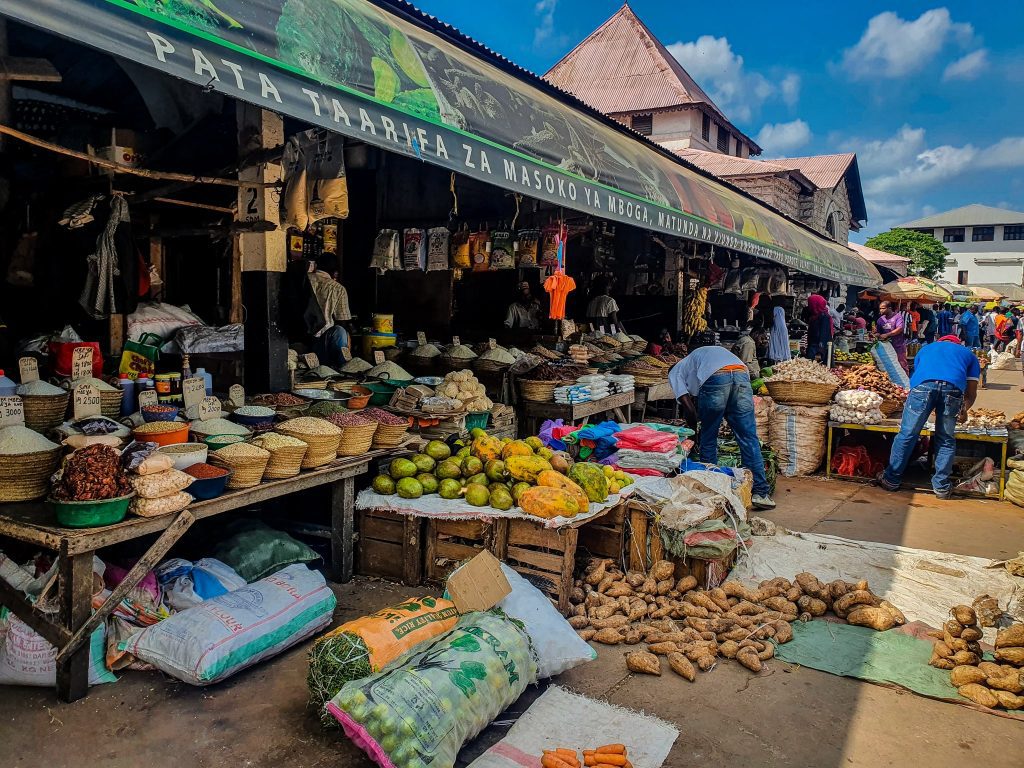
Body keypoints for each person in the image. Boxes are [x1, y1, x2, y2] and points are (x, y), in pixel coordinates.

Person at [667, 336, 774, 509]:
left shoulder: (674, 372)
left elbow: (688, 406)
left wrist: (694, 431)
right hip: (740, 373)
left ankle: (713, 491)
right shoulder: (697, 359)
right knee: (748, 437)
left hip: (716, 376)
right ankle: (761, 493)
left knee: (709, 437)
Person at [877, 335, 979, 499]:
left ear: (940, 341)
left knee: (908, 433)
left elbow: (921, 376)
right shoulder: (968, 354)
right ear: (957, 343)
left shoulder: (927, 349)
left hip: (923, 388)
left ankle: (891, 479)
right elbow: (972, 392)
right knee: (945, 438)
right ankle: (942, 487)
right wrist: (964, 409)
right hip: (953, 390)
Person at [307, 255, 353, 366]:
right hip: (321, 345)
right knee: (340, 331)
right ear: (335, 272)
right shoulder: (338, 288)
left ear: (316, 266)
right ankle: (342, 369)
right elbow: (342, 321)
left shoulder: (303, 280)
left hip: (294, 340)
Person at [875, 300, 909, 373]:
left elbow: (900, 329)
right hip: (886, 347)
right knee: (887, 364)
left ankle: (906, 382)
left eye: (883, 308)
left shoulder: (897, 317)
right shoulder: (880, 320)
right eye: (880, 308)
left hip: (898, 345)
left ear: (889, 308)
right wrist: (877, 334)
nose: (881, 310)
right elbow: (878, 332)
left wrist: (887, 334)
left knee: (902, 364)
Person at [804, 294, 833, 362]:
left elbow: (824, 334)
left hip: (818, 349)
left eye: (810, 304)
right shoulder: (814, 316)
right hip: (813, 346)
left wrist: (820, 352)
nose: (809, 306)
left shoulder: (824, 317)